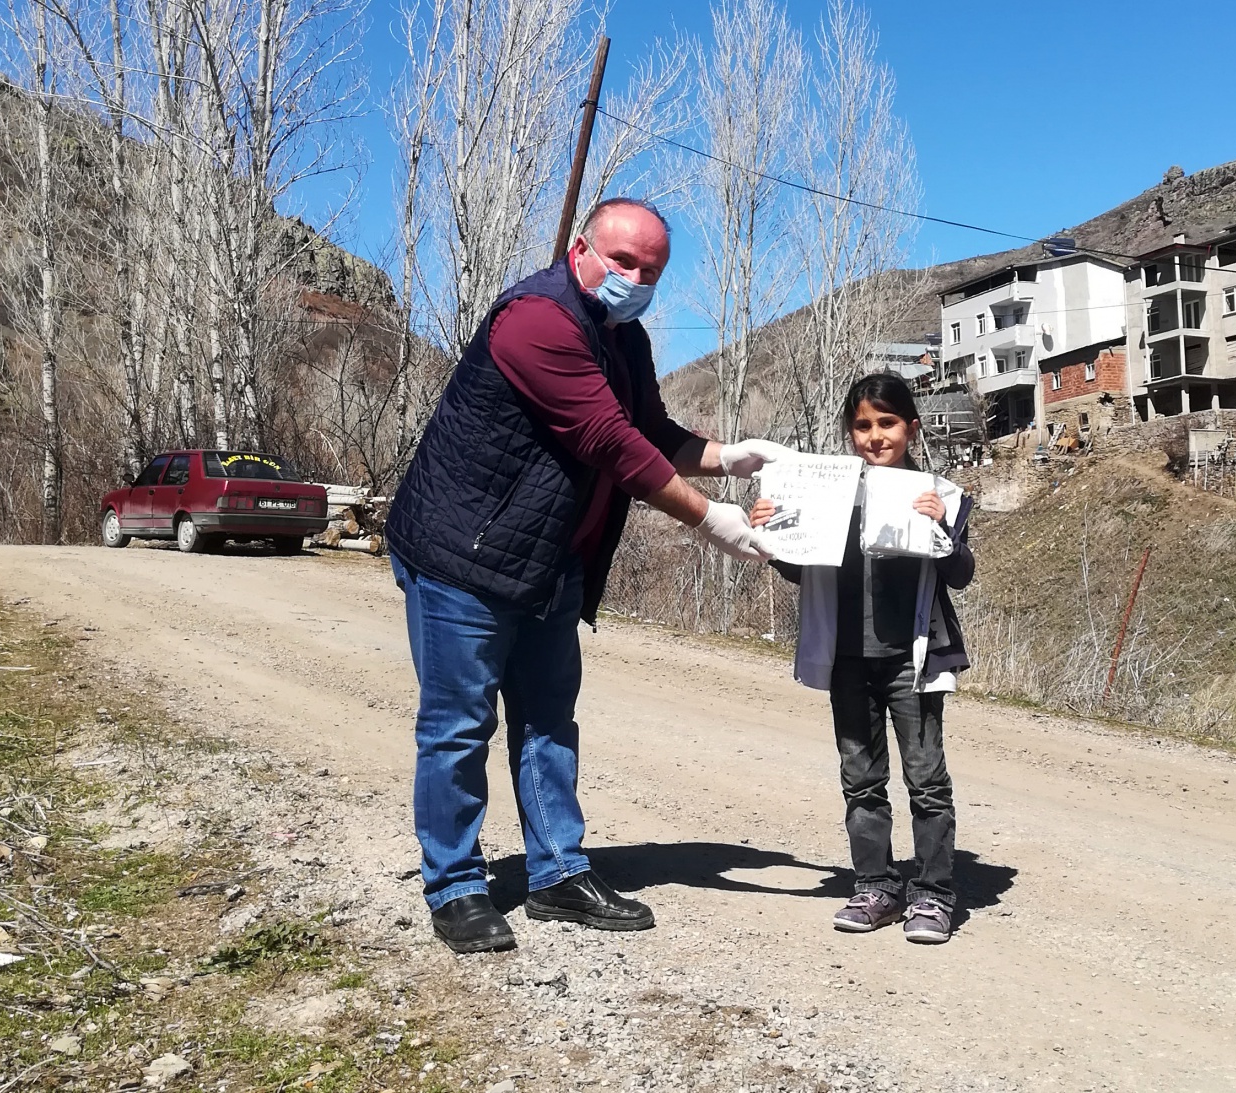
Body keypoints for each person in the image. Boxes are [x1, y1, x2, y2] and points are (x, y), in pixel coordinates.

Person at [385, 197, 788, 954]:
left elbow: (648, 430)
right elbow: (609, 442)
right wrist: (710, 517)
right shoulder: (533, 321)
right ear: (582, 249)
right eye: (624, 260)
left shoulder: (621, 336)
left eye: (652, 269)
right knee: (457, 727)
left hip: (547, 561)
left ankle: (557, 873)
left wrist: (727, 455)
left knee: (547, 721)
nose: (635, 277)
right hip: (461, 556)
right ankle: (456, 886)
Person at [749, 373, 974, 944]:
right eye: (863, 425)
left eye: (888, 423)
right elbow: (802, 570)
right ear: (851, 433)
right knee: (860, 779)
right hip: (847, 658)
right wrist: (772, 536)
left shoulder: (939, 495)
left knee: (926, 780)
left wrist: (942, 529)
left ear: (912, 428)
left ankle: (934, 895)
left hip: (911, 661)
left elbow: (963, 574)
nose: (876, 436)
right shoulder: (831, 496)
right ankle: (876, 885)